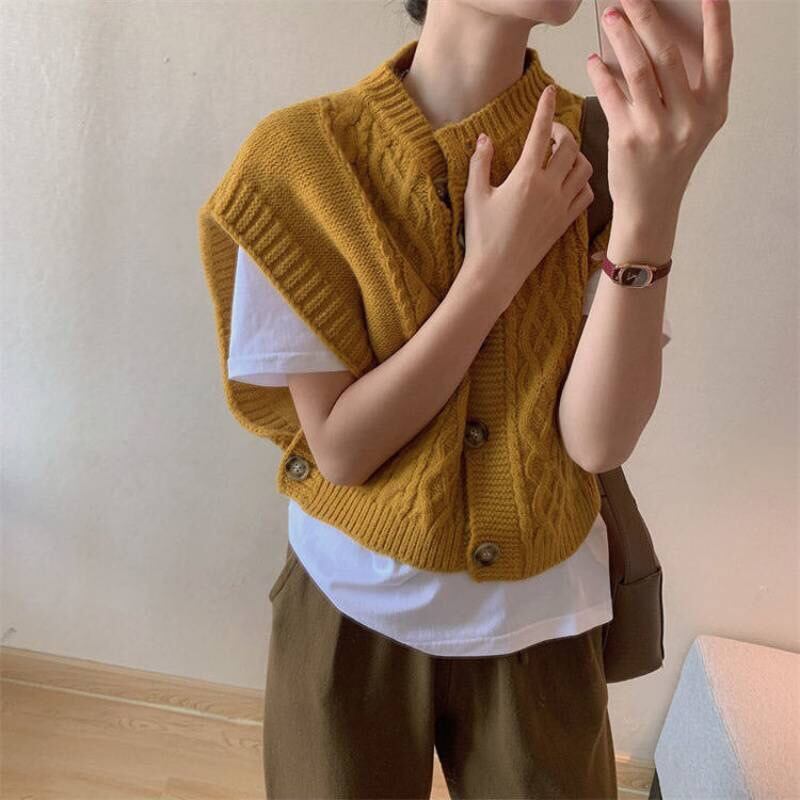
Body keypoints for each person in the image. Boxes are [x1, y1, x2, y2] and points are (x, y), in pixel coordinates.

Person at [197, 0, 732, 797]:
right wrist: (491, 274)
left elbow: (596, 442)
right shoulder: (301, 163)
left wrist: (653, 203)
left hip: (545, 620)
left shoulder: (600, 148)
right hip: (348, 612)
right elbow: (341, 448)